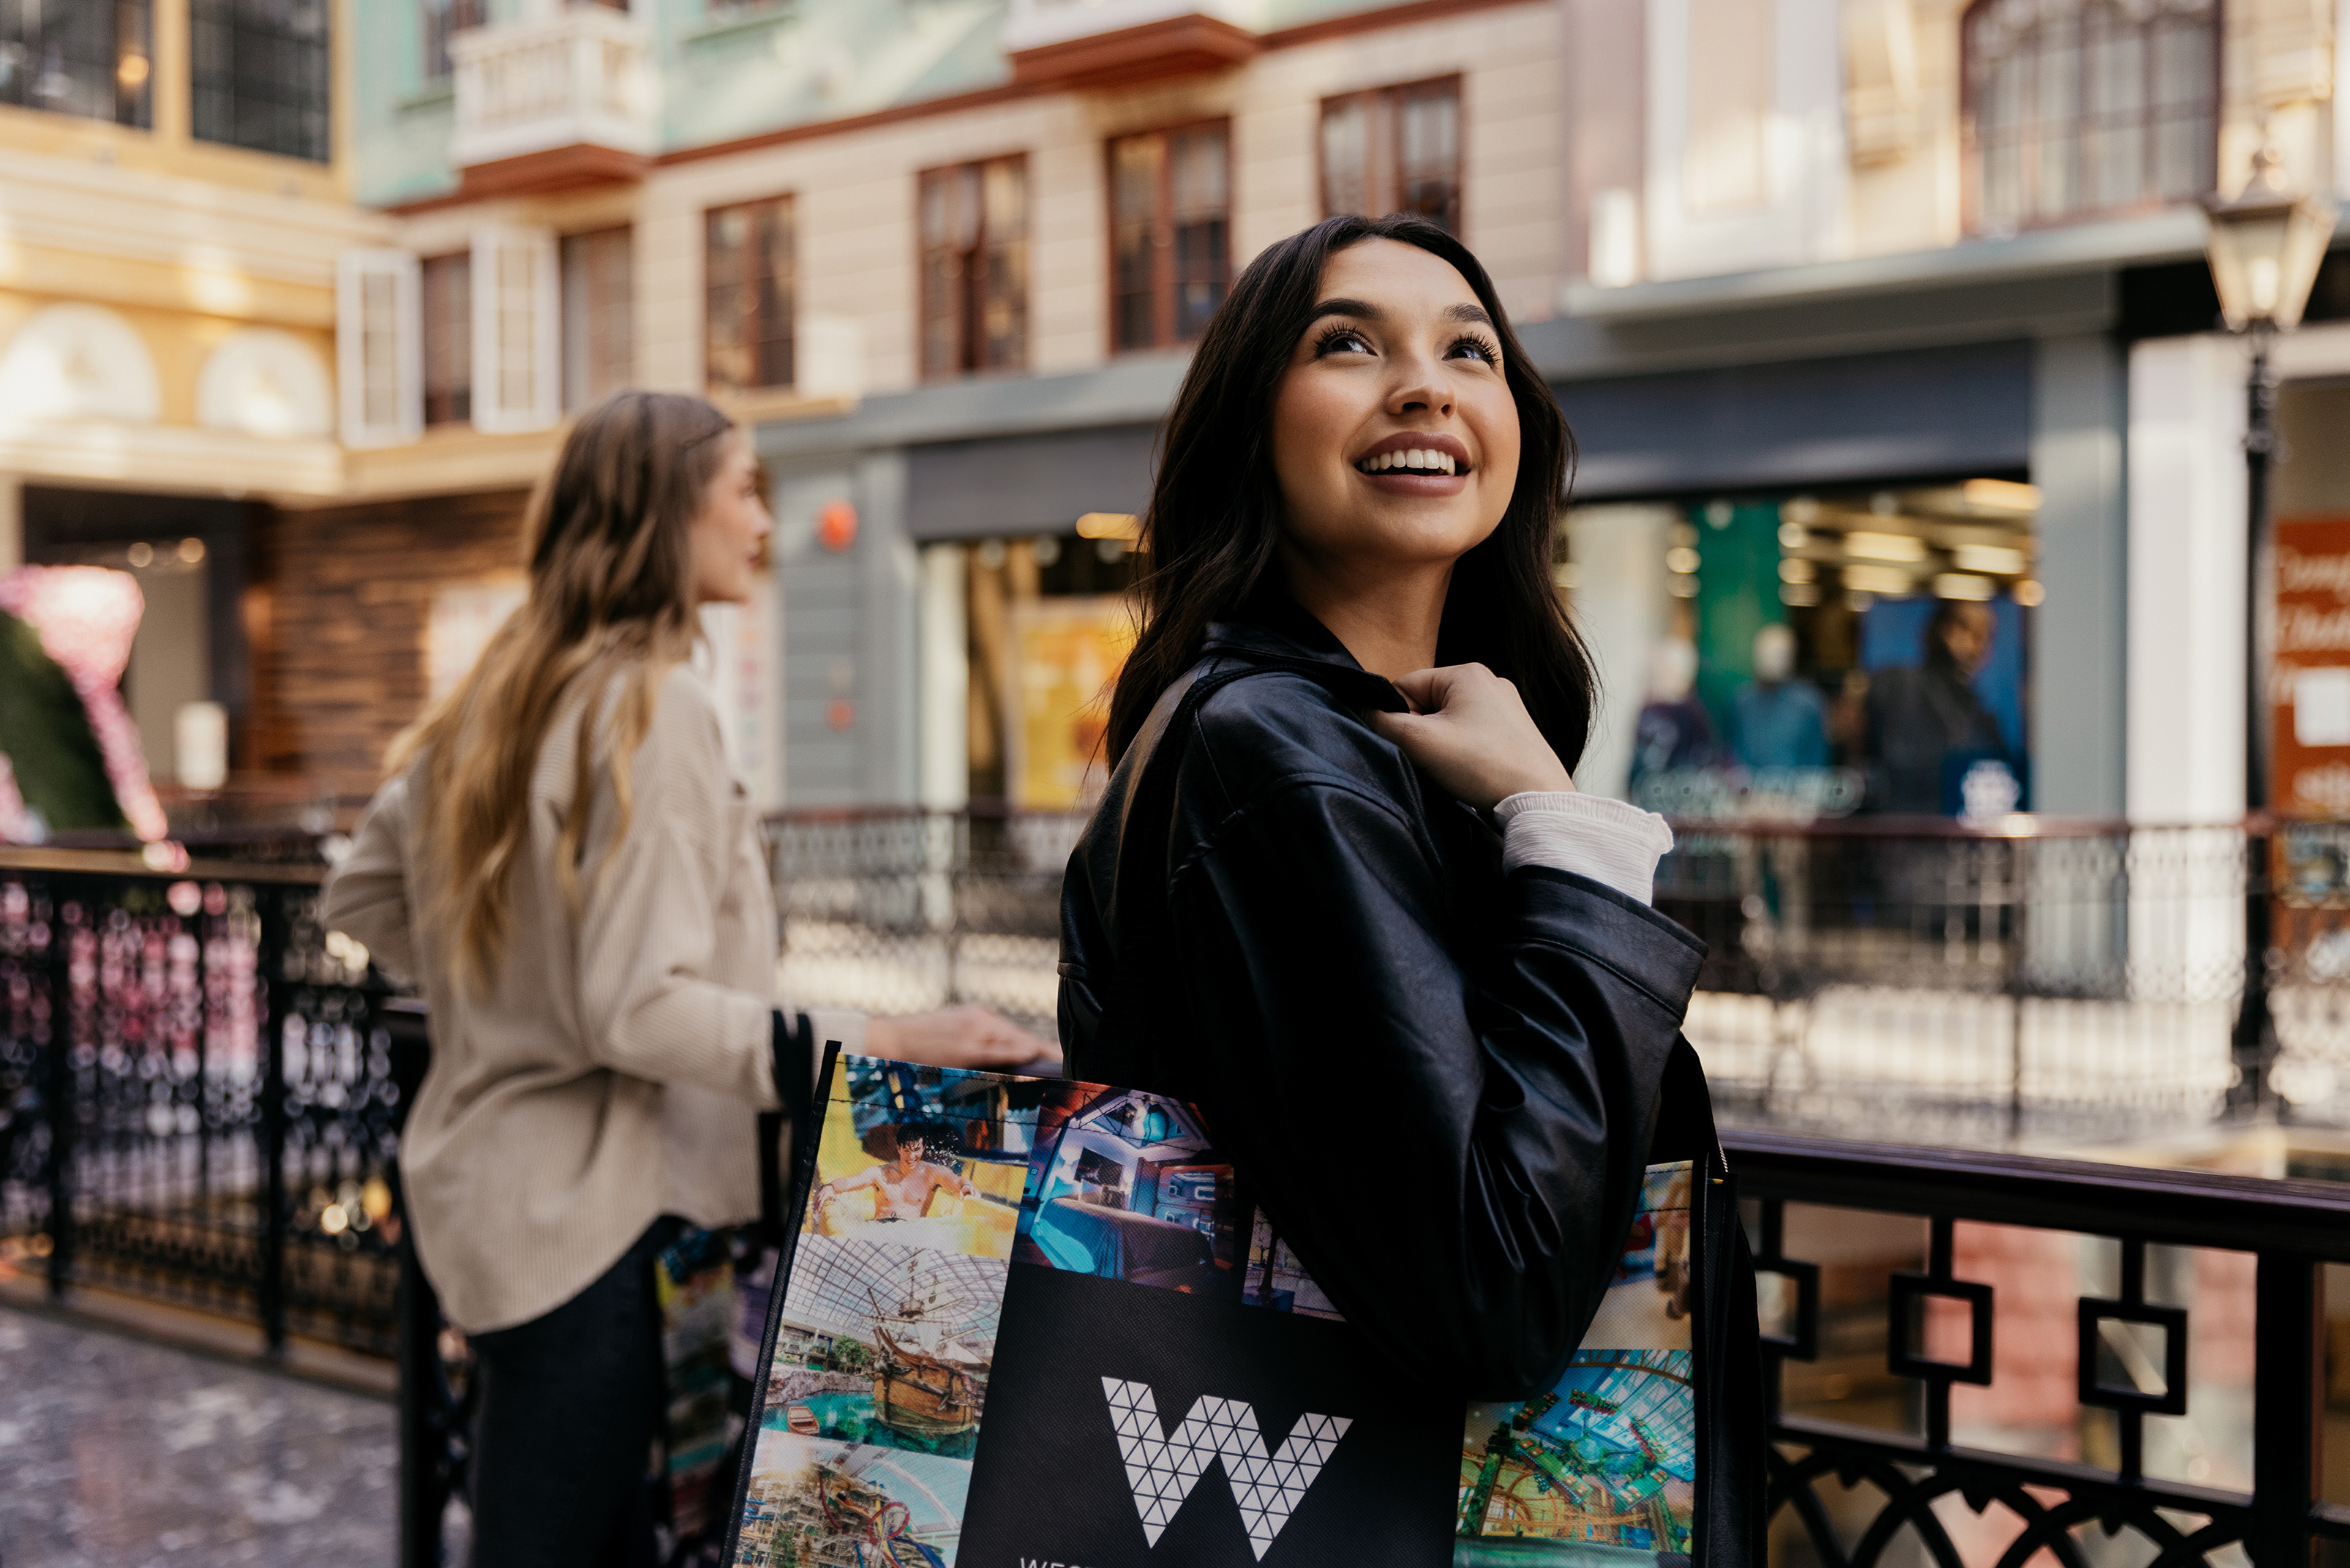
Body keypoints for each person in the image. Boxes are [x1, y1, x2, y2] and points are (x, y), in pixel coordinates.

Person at [1058, 214, 1759, 1558]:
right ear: (1248, 423)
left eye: (1467, 351)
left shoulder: (1340, 740)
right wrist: (1575, 837)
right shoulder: (1277, 750)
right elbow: (1491, 1292)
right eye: (1345, 343)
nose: (1424, 382)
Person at [321, 391, 1051, 1568]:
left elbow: (361, 897)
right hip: (611, 1225)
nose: (764, 518)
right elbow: (634, 1006)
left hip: (503, 1204)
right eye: (745, 489)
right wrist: (895, 1029)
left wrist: (508, 990)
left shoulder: (505, 692)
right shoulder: (651, 708)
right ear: (667, 517)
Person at [1861, 599, 2009, 813]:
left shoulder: (1983, 720)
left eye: (1985, 636)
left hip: (1954, 835)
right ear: (1943, 629)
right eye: (1967, 630)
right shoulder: (1894, 687)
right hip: (1899, 832)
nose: (1977, 646)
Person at [815, 1122, 978, 1220]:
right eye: (907, 1150)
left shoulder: (932, 1174)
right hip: (880, 1232)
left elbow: (956, 1180)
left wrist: (966, 1186)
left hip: (912, 1234)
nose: (912, 1156)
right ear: (899, 1149)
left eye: (917, 1150)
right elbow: (850, 1182)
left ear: (923, 1148)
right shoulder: (880, 1173)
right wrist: (831, 1187)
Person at [1730, 623, 1828, 773]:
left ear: (1791, 656)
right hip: (1749, 791)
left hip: (1795, 792)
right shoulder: (1742, 701)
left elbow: (1817, 757)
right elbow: (1734, 750)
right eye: (1765, 652)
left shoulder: (1808, 704)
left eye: (1779, 653)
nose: (1771, 659)